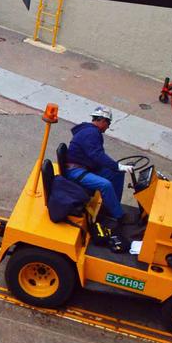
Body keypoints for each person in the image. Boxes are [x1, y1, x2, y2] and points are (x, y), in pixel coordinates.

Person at [64, 106, 126, 249]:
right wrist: (116, 165)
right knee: (105, 185)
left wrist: (116, 168)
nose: (108, 126)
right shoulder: (91, 133)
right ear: (102, 120)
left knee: (117, 174)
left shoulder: (91, 131)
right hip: (75, 171)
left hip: (85, 166)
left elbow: (97, 157)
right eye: (108, 123)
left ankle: (112, 206)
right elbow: (97, 155)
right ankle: (118, 216)